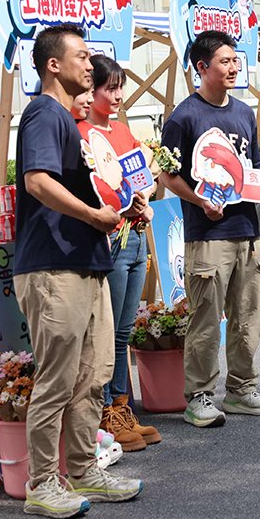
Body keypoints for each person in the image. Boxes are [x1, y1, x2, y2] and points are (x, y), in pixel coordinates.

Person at [13, 24, 142, 519]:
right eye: (82, 57)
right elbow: (38, 182)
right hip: (52, 266)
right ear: (53, 65)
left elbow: (89, 189)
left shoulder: (71, 121)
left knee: (93, 375)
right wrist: (93, 216)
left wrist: (125, 206)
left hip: (86, 263)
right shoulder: (44, 113)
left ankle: (86, 470)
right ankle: (43, 484)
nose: (91, 65)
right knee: (58, 379)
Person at [159, 30, 260, 428]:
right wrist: (200, 201)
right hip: (208, 236)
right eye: (225, 61)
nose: (233, 68)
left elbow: (253, 169)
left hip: (248, 231)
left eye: (235, 61)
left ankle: (242, 390)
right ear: (201, 68)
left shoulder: (244, 113)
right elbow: (167, 175)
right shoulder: (184, 116)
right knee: (206, 319)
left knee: (250, 314)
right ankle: (198, 396)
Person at [77, 54, 162, 452]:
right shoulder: (78, 133)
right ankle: (107, 409)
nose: (117, 95)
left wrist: (146, 201)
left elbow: (144, 182)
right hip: (107, 241)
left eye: (119, 87)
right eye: (109, 88)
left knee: (125, 329)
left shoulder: (124, 133)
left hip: (135, 238)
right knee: (107, 332)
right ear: (89, 90)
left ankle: (123, 406)